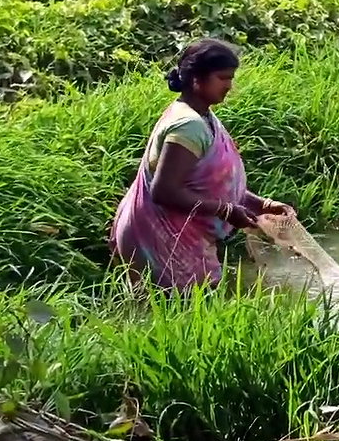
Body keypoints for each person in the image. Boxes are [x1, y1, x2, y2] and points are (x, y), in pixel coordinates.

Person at [110, 38, 293, 291]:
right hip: (163, 236)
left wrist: (261, 204)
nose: (229, 86)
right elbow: (164, 191)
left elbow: (206, 184)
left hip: (178, 231)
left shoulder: (203, 116)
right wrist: (227, 211)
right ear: (197, 80)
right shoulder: (188, 126)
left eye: (230, 78)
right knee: (180, 311)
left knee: (190, 310)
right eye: (222, 78)